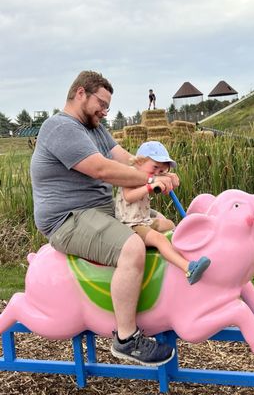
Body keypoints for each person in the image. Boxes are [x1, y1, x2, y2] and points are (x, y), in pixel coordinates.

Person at [30, 70, 179, 367]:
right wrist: (149, 182)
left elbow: (123, 157)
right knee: (131, 247)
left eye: (108, 106)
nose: (105, 111)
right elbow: (102, 169)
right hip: (68, 218)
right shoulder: (61, 127)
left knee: (163, 225)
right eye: (102, 103)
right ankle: (126, 339)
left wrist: (159, 171)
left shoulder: (94, 127)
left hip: (101, 212)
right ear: (81, 93)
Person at [115, 141, 211, 284]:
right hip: (129, 225)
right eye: (155, 167)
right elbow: (129, 196)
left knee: (169, 224)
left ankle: (187, 250)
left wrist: (164, 182)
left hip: (143, 221)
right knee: (159, 239)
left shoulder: (146, 176)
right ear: (140, 161)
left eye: (161, 171)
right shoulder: (131, 175)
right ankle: (188, 268)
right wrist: (150, 186)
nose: (157, 174)